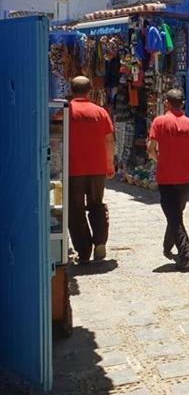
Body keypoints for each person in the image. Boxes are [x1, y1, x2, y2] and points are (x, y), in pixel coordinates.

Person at [147, 89, 189, 272]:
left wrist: (160, 160)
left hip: (166, 177)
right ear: (183, 104)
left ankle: (186, 257)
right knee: (175, 213)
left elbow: (151, 148)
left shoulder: (159, 122)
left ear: (166, 103)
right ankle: (167, 246)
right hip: (186, 177)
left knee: (174, 216)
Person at [68, 76, 114, 264]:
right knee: (96, 203)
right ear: (90, 90)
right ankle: (100, 241)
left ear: (71, 90)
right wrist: (110, 163)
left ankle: (84, 249)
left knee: (75, 210)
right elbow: (109, 139)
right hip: (97, 168)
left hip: (73, 169)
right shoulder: (100, 112)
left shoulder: (65, 111)